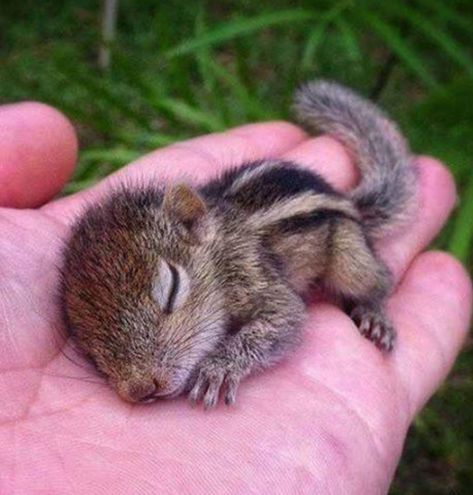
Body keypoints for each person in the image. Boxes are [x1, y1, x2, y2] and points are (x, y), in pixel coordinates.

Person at [0, 102, 470, 494]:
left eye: (169, 296)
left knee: (354, 271)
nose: (135, 384)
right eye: (101, 351)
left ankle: (371, 299)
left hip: (324, 231)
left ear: (192, 223)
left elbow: (284, 317)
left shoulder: (236, 262)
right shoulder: (150, 308)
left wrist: (232, 359)